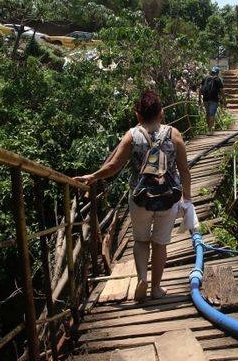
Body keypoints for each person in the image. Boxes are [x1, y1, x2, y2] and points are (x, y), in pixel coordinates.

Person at [73, 90, 191, 302]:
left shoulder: (132, 136)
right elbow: (184, 170)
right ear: (162, 113)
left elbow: (113, 166)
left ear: (138, 115)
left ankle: (142, 279)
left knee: (141, 240)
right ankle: (156, 288)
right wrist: (188, 201)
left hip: (140, 198)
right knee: (160, 244)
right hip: (168, 198)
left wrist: (93, 176)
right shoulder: (175, 135)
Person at [199, 66, 224, 135]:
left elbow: (200, 89)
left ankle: (208, 129)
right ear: (218, 72)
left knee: (207, 114)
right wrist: (223, 99)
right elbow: (222, 91)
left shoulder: (205, 78)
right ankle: (210, 130)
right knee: (212, 114)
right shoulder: (218, 79)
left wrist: (199, 99)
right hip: (214, 99)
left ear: (212, 72)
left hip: (205, 99)